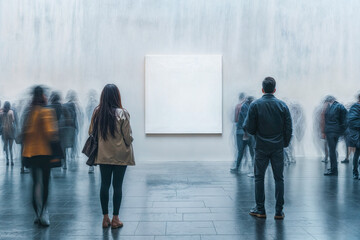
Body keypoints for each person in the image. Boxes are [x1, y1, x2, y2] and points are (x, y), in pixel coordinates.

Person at [243, 77, 292, 220]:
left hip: (261, 147)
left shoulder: (255, 105)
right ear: (275, 89)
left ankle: (260, 209)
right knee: (279, 178)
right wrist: (285, 143)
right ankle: (278, 211)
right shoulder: (282, 106)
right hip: (277, 147)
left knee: (259, 178)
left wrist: (257, 134)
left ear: (262, 89)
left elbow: (249, 128)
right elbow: (288, 128)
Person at [88, 84, 135, 229]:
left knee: (104, 184)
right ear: (117, 96)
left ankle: (105, 218)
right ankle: (116, 219)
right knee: (118, 186)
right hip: (121, 155)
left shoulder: (98, 112)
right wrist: (130, 141)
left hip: (104, 155)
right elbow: (127, 137)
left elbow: (91, 132)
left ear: (103, 96)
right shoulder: (123, 113)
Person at [22, 86, 58, 226]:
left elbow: (26, 133)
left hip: (30, 153)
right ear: (43, 95)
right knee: (45, 183)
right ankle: (44, 212)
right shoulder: (46, 112)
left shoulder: (30, 112)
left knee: (35, 183)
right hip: (45, 153)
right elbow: (50, 133)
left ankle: (37, 214)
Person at [323, 96, 347, 176]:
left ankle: (334, 170)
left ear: (329, 101)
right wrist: (342, 130)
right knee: (333, 150)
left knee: (332, 151)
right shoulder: (340, 106)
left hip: (330, 131)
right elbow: (344, 119)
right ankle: (333, 167)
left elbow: (326, 119)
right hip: (337, 131)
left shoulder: (329, 108)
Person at [230, 96, 255, 175]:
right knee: (251, 152)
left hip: (242, 132)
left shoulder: (242, 106)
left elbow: (238, 120)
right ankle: (254, 169)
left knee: (241, 151)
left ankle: (237, 168)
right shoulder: (252, 107)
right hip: (249, 133)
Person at [347, 93, 360, 179]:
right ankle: (355, 172)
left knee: (357, 153)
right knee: (357, 154)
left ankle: (355, 172)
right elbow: (352, 121)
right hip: (357, 135)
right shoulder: (355, 107)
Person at [1, 101, 16, 166]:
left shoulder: (1, 113)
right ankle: (12, 161)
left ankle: (7, 160)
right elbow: (13, 120)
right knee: (10, 148)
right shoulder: (11, 112)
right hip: (11, 130)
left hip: (4, 131)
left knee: (6, 147)